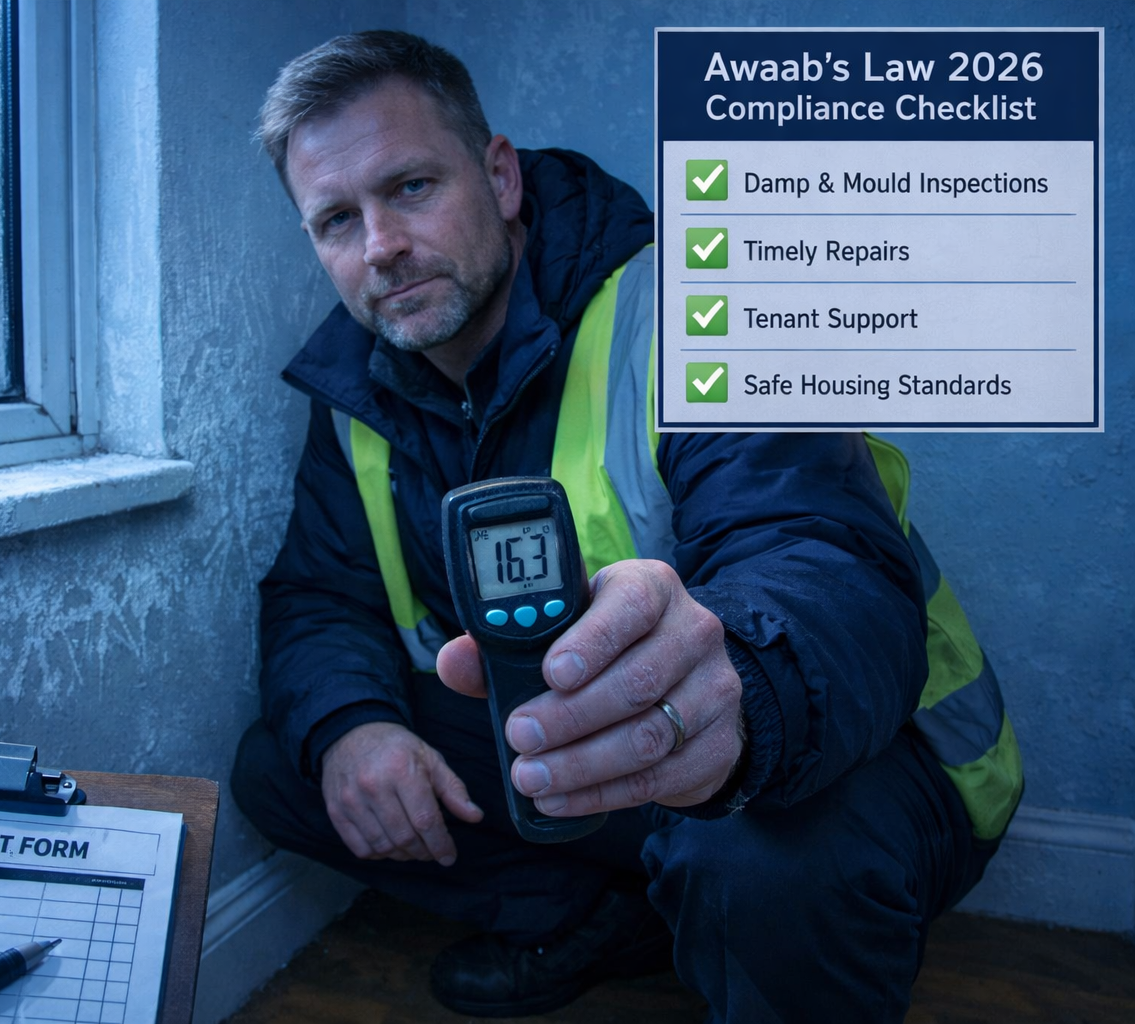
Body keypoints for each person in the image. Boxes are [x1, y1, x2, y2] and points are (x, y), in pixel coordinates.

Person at [231, 30, 1021, 1022]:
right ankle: (621, 917)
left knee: (756, 856)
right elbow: (322, 592)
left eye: (412, 188)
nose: (380, 244)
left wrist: (741, 689)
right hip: (597, 743)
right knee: (290, 761)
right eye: (337, 218)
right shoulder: (357, 388)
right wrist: (355, 724)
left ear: (501, 175)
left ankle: (716, 889)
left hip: (850, 740)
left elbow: (815, 549)